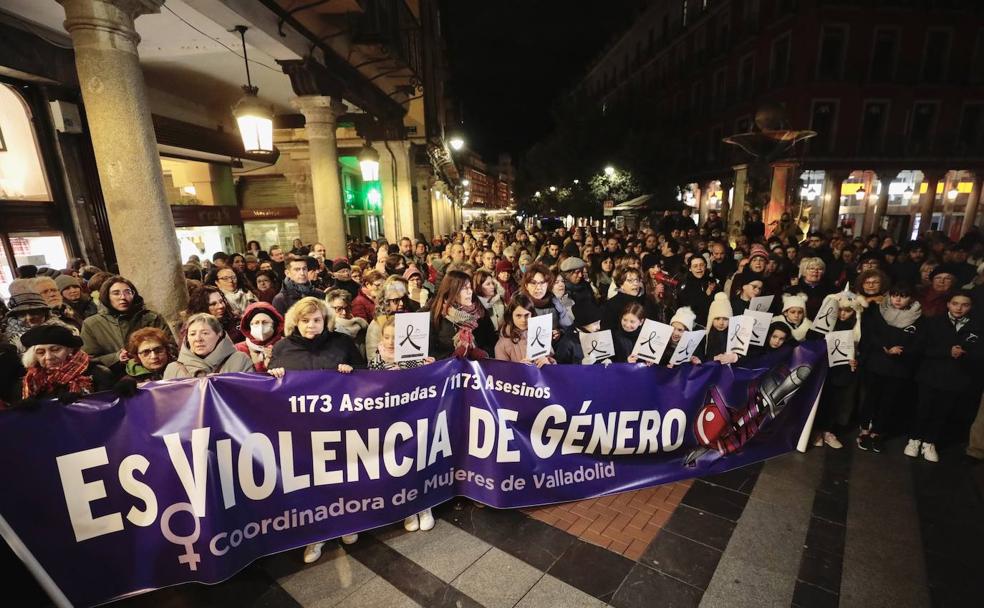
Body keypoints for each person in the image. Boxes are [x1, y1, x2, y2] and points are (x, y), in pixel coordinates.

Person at [266, 296, 363, 561]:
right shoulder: (283, 348)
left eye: (317, 320)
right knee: (310, 482)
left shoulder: (341, 343)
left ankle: (347, 522)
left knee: (343, 475)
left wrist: (351, 370)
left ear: (326, 320)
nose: (311, 325)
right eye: (305, 320)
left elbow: (365, 374)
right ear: (295, 322)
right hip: (301, 429)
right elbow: (270, 388)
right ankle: (316, 534)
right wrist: (273, 375)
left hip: (340, 423)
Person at [367, 315, 437, 532]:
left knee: (420, 461)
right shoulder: (376, 360)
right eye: (386, 337)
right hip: (391, 423)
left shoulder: (416, 359)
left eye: (395, 338)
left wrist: (431, 369)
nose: (389, 342)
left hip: (415, 418)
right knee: (400, 465)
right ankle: (407, 508)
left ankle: (424, 506)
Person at [906, 290, 981, 463]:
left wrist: (966, 353)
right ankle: (914, 439)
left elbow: (979, 352)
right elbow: (920, 348)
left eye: (964, 304)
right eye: (955, 303)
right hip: (931, 374)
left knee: (942, 411)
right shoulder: (933, 322)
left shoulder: (977, 326)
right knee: (923, 408)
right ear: (948, 304)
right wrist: (946, 352)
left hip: (957, 377)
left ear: (971, 306)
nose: (959, 308)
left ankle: (930, 442)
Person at [857, 283, 922, 453]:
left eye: (903, 295)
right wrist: (885, 347)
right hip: (877, 362)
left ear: (911, 298)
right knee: (871, 397)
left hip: (899, 366)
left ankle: (877, 433)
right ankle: (864, 431)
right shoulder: (879, 311)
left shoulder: (918, 316)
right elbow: (870, 334)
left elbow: (920, 342)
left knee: (889, 400)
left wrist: (902, 350)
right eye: (894, 295)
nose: (898, 299)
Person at [80, 276, 174, 371]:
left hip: (155, 372)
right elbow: (88, 359)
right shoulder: (92, 324)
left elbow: (171, 346)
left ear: (134, 294)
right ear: (106, 296)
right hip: (116, 377)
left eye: (128, 292)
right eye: (116, 293)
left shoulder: (151, 317)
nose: (123, 297)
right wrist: (116, 357)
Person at [807, 292, 863, 450]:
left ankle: (828, 431)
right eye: (839, 310)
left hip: (843, 371)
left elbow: (863, 350)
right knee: (822, 401)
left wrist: (856, 360)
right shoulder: (825, 323)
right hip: (824, 369)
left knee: (836, 402)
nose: (843, 314)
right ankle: (816, 431)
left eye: (847, 310)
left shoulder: (856, 328)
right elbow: (811, 338)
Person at [16, 325, 114, 404]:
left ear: (70, 349)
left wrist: (82, 402)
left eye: (55, 350)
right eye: (41, 352)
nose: (48, 357)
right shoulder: (31, 380)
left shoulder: (97, 373)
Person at [163, 313, 254, 379]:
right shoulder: (173, 369)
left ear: (219, 334)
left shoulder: (239, 360)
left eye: (205, 333)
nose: (198, 339)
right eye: (192, 334)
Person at [431, 270, 493, 359]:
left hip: (476, 370)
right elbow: (432, 350)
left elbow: (492, 341)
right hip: (450, 371)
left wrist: (483, 353)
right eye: (464, 288)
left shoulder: (480, 312)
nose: (470, 292)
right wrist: (452, 357)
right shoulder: (437, 316)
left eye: (470, 287)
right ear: (451, 291)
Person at [493, 293, 554, 366]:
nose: (523, 320)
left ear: (532, 314)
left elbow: (553, 363)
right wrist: (519, 368)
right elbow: (501, 373)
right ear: (511, 316)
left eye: (527, 315)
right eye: (518, 315)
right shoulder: (502, 345)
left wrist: (549, 362)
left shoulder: (541, 334)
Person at [234, 302, 284, 373]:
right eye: (256, 323)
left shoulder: (286, 345)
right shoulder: (239, 349)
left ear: (274, 324)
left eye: (265, 322)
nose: (261, 327)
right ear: (249, 326)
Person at [676, 255, 718, 323]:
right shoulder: (684, 285)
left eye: (701, 265)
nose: (699, 268)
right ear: (690, 268)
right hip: (693, 324)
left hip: (713, 322)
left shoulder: (712, 282)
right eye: (695, 266)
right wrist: (706, 295)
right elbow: (688, 308)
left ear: (705, 266)